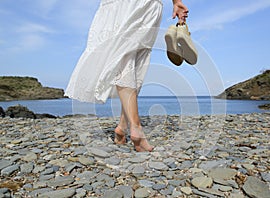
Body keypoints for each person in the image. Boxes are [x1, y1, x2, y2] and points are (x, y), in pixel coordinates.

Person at [65, 0, 189, 152]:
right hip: (149, 5)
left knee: (128, 59)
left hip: (123, 4)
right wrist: (176, 1)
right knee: (134, 61)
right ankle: (130, 128)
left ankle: (128, 127)